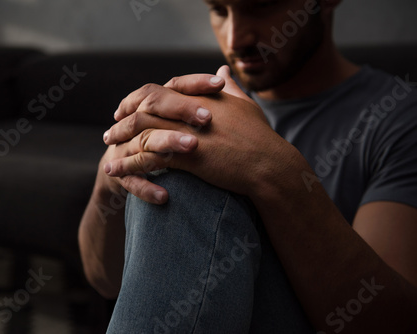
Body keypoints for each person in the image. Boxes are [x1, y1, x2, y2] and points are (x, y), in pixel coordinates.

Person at [79, 0, 417, 332]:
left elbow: (392, 322)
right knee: (175, 156)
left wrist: (270, 169)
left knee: (191, 166)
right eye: (219, 10)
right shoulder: (205, 109)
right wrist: (112, 176)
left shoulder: (400, 119)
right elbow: (102, 279)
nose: (235, 39)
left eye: (260, 6)